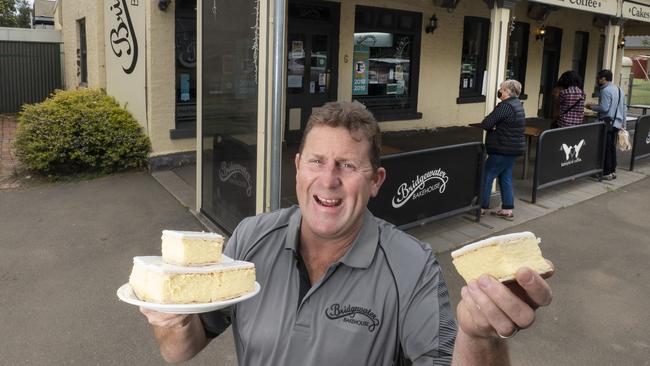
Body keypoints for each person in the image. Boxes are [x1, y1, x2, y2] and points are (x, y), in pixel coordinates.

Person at [139, 101, 554, 365]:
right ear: (298, 166)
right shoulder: (250, 238)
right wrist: (169, 319)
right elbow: (181, 351)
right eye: (317, 161)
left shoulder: (411, 265)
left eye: (348, 166)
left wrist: (479, 337)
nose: (328, 179)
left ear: (376, 181)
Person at [479, 80, 526, 220]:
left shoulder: (505, 106)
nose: (499, 90)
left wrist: (493, 125)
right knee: (505, 177)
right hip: (512, 148)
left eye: (501, 88)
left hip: (502, 148)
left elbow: (487, 123)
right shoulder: (518, 104)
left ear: (507, 91)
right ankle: (507, 209)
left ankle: (481, 207)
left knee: (487, 176)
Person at [586, 69, 627, 180]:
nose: (597, 80)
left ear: (603, 79)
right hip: (617, 123)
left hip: (607, 122)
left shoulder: (605, 90)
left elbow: (604, 108)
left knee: (605, 148)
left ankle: (605, 172)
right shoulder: (619, 89)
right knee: (612, 147)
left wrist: (591, 107)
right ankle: (612, 171)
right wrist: (623, 123)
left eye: (598, 78)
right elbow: (624, 107)